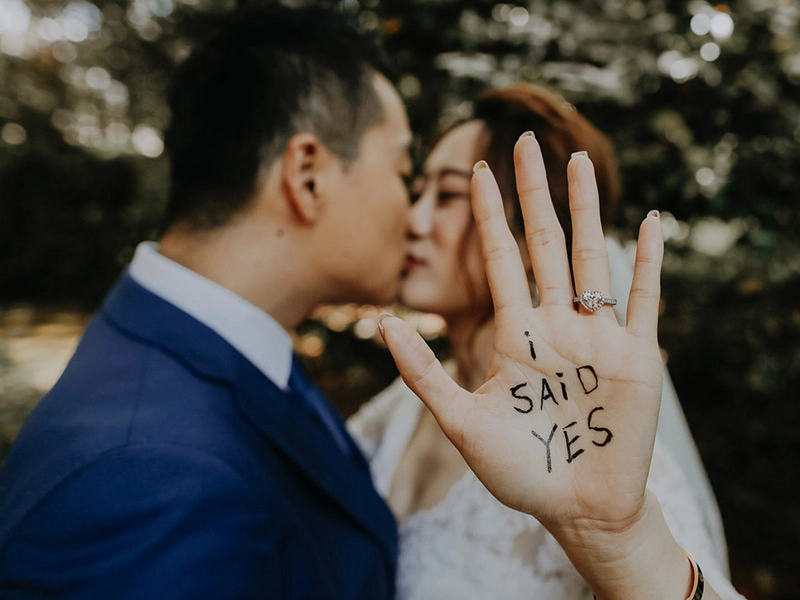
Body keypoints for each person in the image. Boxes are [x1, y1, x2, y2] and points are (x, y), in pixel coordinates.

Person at [0, 5, 412, 597]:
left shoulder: (231, 347)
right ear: (308, 175)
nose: (414, 207)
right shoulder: (148, 479)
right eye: (403, 169)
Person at [349, 84, 744, 599]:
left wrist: (619, 539)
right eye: (417, 190)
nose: (415, 221)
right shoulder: (401, 408)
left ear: (533, 236)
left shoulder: (594, 446)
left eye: (446, 195)